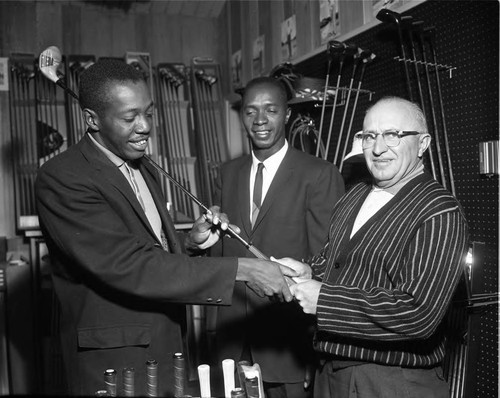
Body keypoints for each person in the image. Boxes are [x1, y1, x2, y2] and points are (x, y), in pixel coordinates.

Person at [34, 60, 296, 396]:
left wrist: (190, 242)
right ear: (92, 120)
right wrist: (245, 270)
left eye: (149, 113)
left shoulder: (143, 167)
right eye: (130, 118)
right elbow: (130, 265)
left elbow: (149, 248)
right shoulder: (63, 178)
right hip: (116, 364)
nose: (144, 127)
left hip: (167, 352)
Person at [277, 96, 469, 398]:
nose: (378, 148)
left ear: (423, 144)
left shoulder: (439, 212)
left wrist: (325, 301)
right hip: (331, 370)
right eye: (369, 136)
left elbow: (418, 314)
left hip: (391, 381)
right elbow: (336, 262)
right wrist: (309, 270)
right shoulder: (355, 195)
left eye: (393, 135)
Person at [210, 76, 345, 398]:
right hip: (232, 338)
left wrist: (316, 348)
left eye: (270, 110)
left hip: (289, 345)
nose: (259, 120)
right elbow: (219, 256)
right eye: (250, 111)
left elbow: (327, 263)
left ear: (286, 114)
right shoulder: (226, 174)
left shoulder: (319, 174)